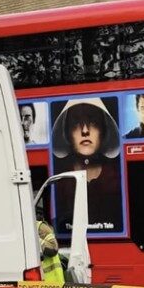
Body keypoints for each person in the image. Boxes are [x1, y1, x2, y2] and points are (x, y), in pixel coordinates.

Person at [51, 97, 123, 233]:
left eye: (93, 121)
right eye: (76, 122)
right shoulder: (57, 180)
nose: (85, 130)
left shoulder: (118, 178)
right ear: (66, 131)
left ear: (104, 130)